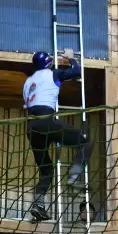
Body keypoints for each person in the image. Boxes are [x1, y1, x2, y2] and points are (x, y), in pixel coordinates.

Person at [23, 48, 93, 222]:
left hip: (31, 127)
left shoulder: (28, 82)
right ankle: (74, 177)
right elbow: (77, 71)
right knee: (85, 143)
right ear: (49, 63)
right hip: (47, 122)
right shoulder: (52, 74)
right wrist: (71, 58)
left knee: (46, 169)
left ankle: (38, 205)